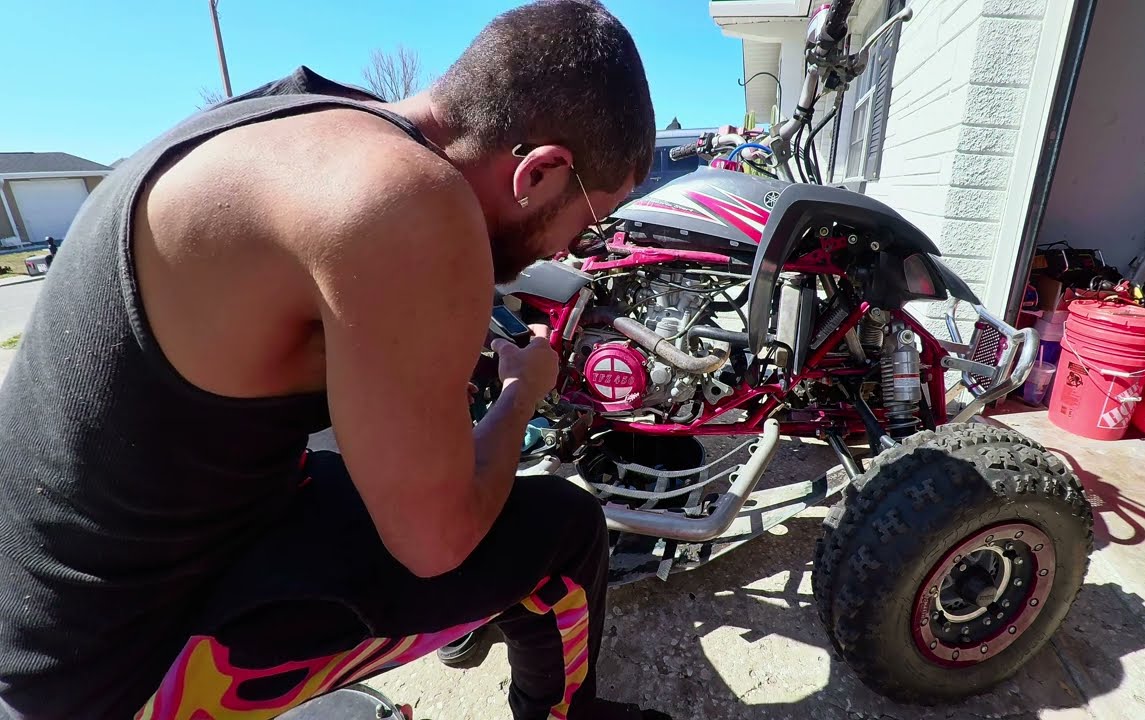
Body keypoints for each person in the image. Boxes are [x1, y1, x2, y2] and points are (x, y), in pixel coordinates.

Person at [0, 1, 667, 718]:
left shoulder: (303, 116)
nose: (570, 249)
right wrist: (520, 394)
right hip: (110, 673)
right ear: (539, 173)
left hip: (52, 597)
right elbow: (435, 544)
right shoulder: (406, 199)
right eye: (592, 216)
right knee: (567, 532)